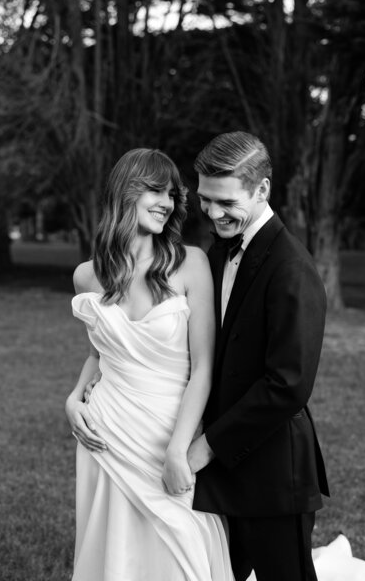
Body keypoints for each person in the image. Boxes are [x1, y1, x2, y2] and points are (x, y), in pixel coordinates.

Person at [65, 148, 235, 581]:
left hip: (166, 433)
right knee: (114, 549)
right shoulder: (87, 276)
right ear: (126, 192)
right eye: (156, 190)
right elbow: (99, 354)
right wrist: (71, 400)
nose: (168, 202)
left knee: (185, 544)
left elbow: (203, 371)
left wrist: (179, 449)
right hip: (105, 431)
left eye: (172, 194)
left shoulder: (189, 263)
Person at [186, 131, 330, 581]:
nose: (212, 212)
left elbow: (287, 384)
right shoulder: (217, 250)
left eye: (226, 202)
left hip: (271, 475)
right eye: (205, 200)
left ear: (262, 189)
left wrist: (206, 447)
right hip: (225, 476)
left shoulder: (291, 268)